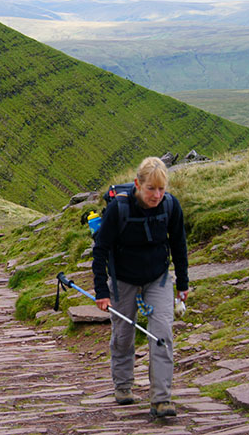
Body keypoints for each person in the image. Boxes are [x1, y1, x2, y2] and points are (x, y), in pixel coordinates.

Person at [91, 157, 189, 418]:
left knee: (162, 334)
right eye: (151, 189)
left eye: (161, 189)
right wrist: (101, 291)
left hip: (158, 278)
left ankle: (161, 400)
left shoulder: (170, 206)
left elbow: (179, 244)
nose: (157, 195)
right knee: (123, 335)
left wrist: (183, 283)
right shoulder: (119, 209)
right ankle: (123, 386)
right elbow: (100, 250)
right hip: (123, 279)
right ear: (137, 184)